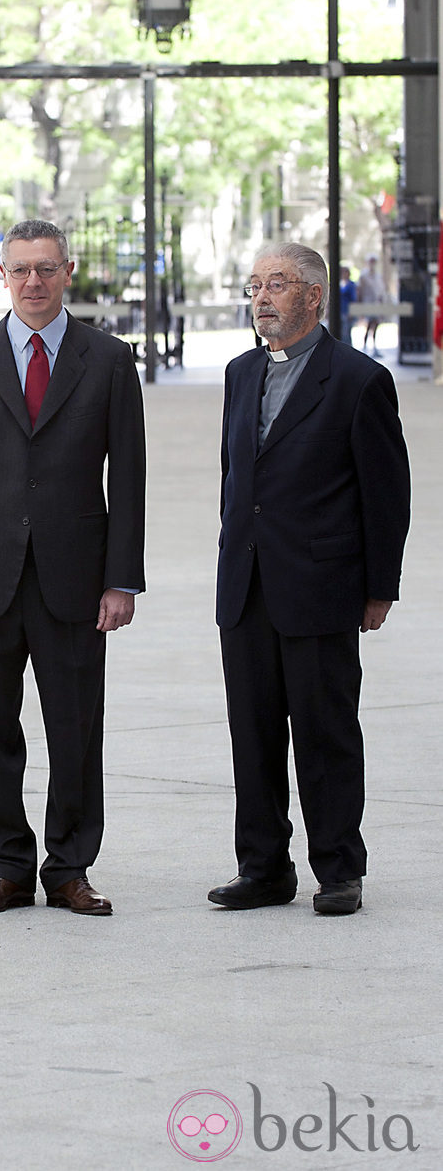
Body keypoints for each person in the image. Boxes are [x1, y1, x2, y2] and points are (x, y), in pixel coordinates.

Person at [0, 219, 146, 917]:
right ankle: (8, 866)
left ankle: (70, 866)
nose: (33, 282)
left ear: (69, 272)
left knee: (76, 727)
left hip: (76, 577)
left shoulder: (109, 360)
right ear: (2, 275)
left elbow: (130, 479)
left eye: (46, 269)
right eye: (20, 269)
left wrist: (121, 579)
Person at [209, 242, 410, 917]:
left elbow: (386, 493)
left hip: (321, 584)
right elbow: (236, 481)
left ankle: (340, 869)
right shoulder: (240, 374)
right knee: (254, 734)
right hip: (246, 587)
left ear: (313, 297)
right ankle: (262, 868)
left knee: (325, 732)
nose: (262, 297)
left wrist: (380, 585)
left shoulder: (357, 379)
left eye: (279, 285)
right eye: (255, 284)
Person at [357, 254, 387, 356]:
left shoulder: (378, 276)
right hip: (367, 304)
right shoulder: (363, 276)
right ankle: (364, 347)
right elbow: (360, 292)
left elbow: (381, 291)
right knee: (369, 325)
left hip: (376, 304)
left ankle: (374, 348)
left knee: (376, 325)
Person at [338, 264, 357, 343]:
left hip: (347, 311)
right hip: (339, 311)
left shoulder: (351, 285)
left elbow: (353, 299)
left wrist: (351, 312)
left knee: (346, 333)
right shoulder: (339, 284)